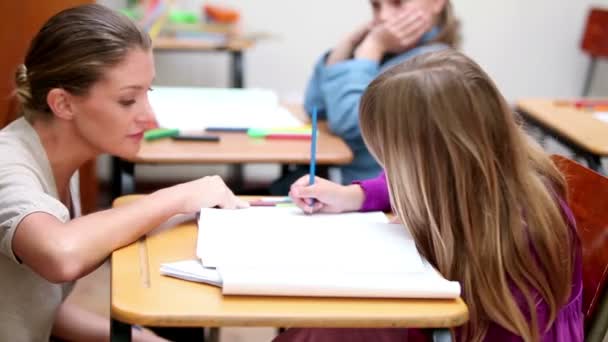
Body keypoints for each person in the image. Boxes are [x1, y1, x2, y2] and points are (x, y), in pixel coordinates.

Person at [280, 50, 583, 341]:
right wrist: (353, 196)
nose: (389, 171)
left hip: (471, 332)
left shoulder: (517, 232)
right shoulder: (485, 173)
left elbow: (451, 326)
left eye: (392, 159)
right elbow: (400, 183)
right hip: (442, 325)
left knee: (329, 330)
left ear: (433, 162)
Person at [0, 4, 247, 341]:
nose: (151, 119)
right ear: (63, 103)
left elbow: (38, 308)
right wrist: (175, 197)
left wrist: (140, 339)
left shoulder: (59, 159)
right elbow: (60, 255)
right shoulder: (8, 165)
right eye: (128, 100)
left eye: (148, 93)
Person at [302, 0, 459, 185]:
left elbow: (348, 123)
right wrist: (346, 47)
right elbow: (315, 108)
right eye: (376, 6)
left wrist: (372, 48)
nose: (383, 16)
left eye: (397, 3)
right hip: (351, 190)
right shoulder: (388, 53)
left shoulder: (431, 66)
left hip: (384, 202)